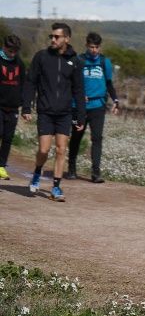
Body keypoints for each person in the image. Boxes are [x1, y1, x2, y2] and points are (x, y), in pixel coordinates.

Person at [21, 22, 86, 202]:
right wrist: (26, 107)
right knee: (43, 149)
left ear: (67, 38)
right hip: (45, 111)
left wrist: (81, 115)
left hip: (65, 113)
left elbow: (79, 91)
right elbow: (30, 82)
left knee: (61, 149)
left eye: (57, 37)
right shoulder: (41, 57)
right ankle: (36, 173)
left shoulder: (75, 61)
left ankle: (56, 187)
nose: (53, 39)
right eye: (52, 36)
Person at [67, 32, 120, 183]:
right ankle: (71, 169)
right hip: (79, 106)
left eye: (97, 47)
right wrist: (77, 95)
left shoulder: (105, 62)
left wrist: (115, 100)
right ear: (86, 46)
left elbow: (109, 83)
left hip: (98, 106)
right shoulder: (79, 60)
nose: (94, 50)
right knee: (76, 136)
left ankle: (96, 173)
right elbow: (71, 82)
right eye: (91, 47)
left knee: (97, 138)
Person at [0, 34, 25, 180]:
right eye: (11, 50)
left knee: (8, 137)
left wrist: (24, 102)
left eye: (16, 51)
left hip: (13, 107)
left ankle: (1, 166)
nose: (13, 53)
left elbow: (23, 83)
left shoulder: (19, 63)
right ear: (4, 47)